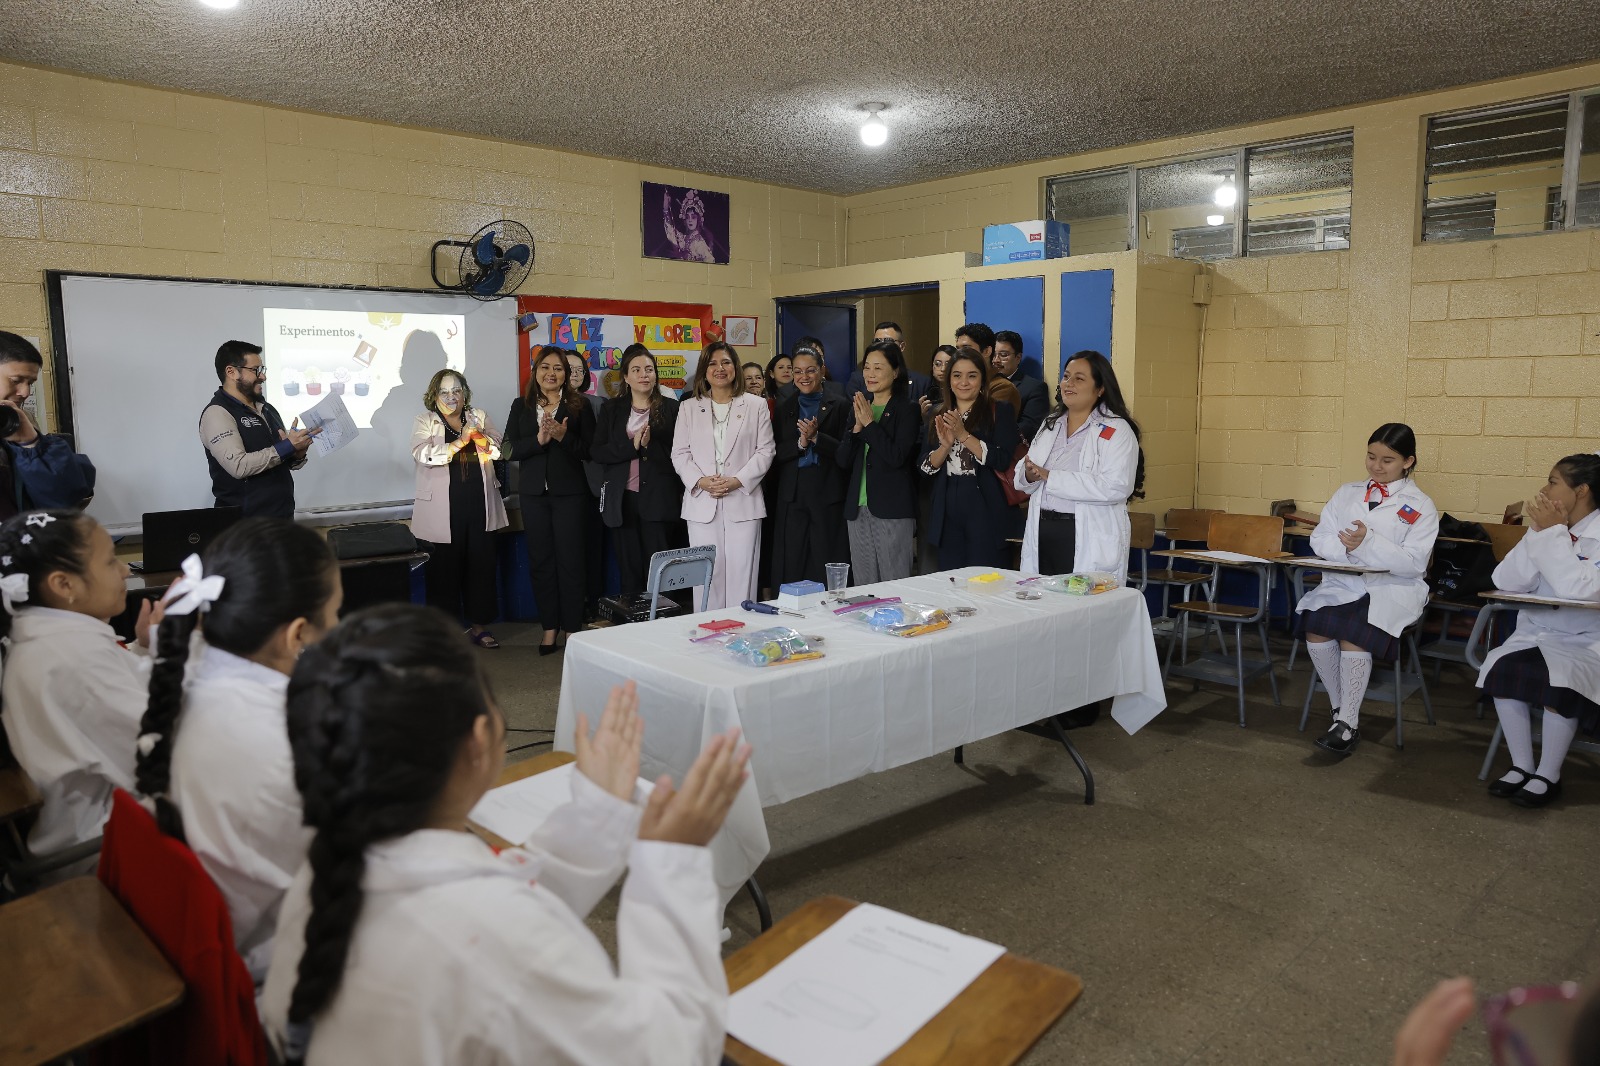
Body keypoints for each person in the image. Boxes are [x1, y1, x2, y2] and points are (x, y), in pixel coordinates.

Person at [259, 604, 751, 1065]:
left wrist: (600, 814)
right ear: (478, 741)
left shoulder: (328, 871)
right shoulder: (507, 947)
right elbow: (672, 1048)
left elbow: (501, 900)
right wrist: (670, 866)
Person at [135, 518, 343, 981]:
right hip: (267, 960)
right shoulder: (290, 743)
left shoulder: (182, 673)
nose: (339, 627)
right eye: (335, 613)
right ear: (297, 636)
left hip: (207, 924)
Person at [0, 508, 154, 869]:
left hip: (89, 828)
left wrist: (144, 646)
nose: (124, 571)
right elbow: (158, 755)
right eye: (110, 562)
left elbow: (120, 688)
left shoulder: (45, 635)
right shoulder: (71, 658)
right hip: (93, 849)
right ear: (64, 584)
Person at [1296, 424, 1439, 757]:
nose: (1377, 466)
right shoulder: (1347, 492)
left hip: (1393, 588)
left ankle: (1348, 722)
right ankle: (1339, 712)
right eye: (1372, 457)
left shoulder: (1420, 505)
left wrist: (1367, 543)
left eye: (1388, 460)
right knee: (1316, 627)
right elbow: (1319, 538)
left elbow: (1415, 563)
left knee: (1353, 632)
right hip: (1344, 583)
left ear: (1408, 461)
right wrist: (1349, 549)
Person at [1477, 453, 1600, 807]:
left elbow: (1578, 589)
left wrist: (1554, 535)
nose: (1544, 490)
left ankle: (1548, 774)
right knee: (1503, 669)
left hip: (1585, 641)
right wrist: (1539, 533)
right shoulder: (1546, 531)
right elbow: (1506, 580)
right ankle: (1521, 765)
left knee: (1556, 683)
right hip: (1537, 632)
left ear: (1581, 490)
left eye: (1552, 482)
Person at [1015, 350, 1145, 582]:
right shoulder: (1050, 424)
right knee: (1044, 603)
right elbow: (1027, 473)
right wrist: (1029, 474)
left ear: (1100, 388)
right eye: (1066, 376)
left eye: (1079, 378)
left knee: (1079, 607)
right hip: (1042, 529)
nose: (1068, 383)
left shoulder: (1117, 429)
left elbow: (1116, 486)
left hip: (1084, 533)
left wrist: (1050, 477)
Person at [670, 341, 774, 610]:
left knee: (743, 572)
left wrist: (737, 480)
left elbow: (766, 450)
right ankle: (708, 630)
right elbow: (679, 454)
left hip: (743, 499)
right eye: (712, 363)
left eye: (726, 362)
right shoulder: (689, 407)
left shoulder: (756, 405)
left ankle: (742, 631)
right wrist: (701, 481)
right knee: (707, 574)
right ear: (704, 370)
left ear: (735, 367)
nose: (720, 368)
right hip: (702, 502)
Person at [505, 348, 595, 654]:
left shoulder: (579, 406)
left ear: (566, 375)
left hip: (570, 494)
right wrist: (538, 441)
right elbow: (508, 449)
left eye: (558, 369)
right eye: (545, 367)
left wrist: (562, 437)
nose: (551, 373)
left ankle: (572, 628)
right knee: (540, 561)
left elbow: (590, 450)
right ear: (536, 371)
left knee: (571, 561)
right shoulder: (521, 406)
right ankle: (549, 629)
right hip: (533, 495)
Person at [411, 369, 508, 649]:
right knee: (443, 573)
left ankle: (480, 627)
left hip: (480, 506)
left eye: (456, 390)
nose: (451, 397)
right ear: (434, 395)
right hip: (441, 512)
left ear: (465, 393)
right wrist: (459, 442)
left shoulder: (479, 416)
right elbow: (422, 453)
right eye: (444, 391)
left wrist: (477, 437)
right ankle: (445, 634)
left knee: (481, 569)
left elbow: (499, 451)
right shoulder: (424, 421)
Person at [591, 345, 683, 601]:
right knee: (629, 569)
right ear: (627, 377)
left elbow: (681, 455)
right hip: (622, 499)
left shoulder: (672, 409)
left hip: (658, 498)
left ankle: (662, 623)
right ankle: (632, 624)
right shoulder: (612, 409)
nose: (644, 375)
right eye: (637, 370)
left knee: (660, 569)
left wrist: (653, 442)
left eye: (649, 369)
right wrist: (631, 446)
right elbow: (598, 452)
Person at [920, 347, 1020, 569]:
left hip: (984, 501)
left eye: (972, 375)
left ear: (983, 380)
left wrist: (963, 435)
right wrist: (944, 447)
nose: (963, 382)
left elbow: (1003, 459)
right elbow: (924, 468)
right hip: (947, 500)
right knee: (952, 578)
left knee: (986, 578)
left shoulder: (999, 410)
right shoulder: (937, 413)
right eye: (957, 375)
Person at [200, 341, 318, 519]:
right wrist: (287, 446)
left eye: (263, 370)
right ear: (231, 372)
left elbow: (279, 459)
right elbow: (238, 466)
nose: (263, 377)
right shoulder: (217, 413)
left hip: (281, 519)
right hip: (244, 527)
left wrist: (296, 453)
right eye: (256, 370)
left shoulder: (267, 409)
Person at [836, 339, 919, 583]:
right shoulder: (860, 407)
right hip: (858, 507)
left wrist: (870, 425)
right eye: (867, 367)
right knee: (864, 583)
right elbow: (843, 460)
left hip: (892, 508)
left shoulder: (908, 409)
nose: (870, 374)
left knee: (894, 581)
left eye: (878, 368)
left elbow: (897, 457)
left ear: (895, 372)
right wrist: (857, 428)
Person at [771, 347, 850, 587]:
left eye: (810, 370)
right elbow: (775, 452)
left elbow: (846, 453)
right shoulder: (784, 407)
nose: (804, 377)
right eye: (798, 371)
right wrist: (800, 443)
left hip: (826, 489)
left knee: (823, 555)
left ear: (822, 371)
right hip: (793, 491)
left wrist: (817, 439)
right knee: (794, 556)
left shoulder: (841, 405)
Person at [0, 331, 96, 519]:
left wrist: (31, 444)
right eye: (16, 381)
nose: (25, 392)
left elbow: (60, 498)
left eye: (30, 383)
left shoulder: (21, 420)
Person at [847, 322, 930, 403]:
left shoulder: (921, 383)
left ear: (902, 346)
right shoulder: (858, 380)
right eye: (877, 342)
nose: (882, 347)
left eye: (888, 342)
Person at [953, 323, 1022, 419]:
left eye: (966, 348)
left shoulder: (1003, 387)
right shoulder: (956, 381)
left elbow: (984, 424)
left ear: (986, 351)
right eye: (958, 349)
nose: (960, 354)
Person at [992, 330, 1049, 442]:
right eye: (993, 355)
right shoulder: (981, 384)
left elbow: (1027, 428)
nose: (996, 360)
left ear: (1018, 357)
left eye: (1003, 355)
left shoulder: (1034, 388)